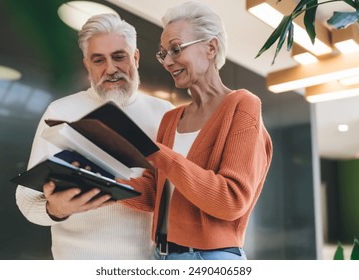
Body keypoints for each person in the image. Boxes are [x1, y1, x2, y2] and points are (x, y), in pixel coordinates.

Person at [115, 1, 273, 260]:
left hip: (211, 259)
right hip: (162, 255)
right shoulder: (170, 119)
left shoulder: (243, 106)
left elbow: (231, 199)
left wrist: (154, 151)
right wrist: (106, 185)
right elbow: (156, 192)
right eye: (163, 53)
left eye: (176, 49)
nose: (167, 61)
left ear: (211, 47)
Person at [15, 13, 174, 260]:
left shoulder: (166, 114)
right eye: (98, 60)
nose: (110, 69)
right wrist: (54, 210)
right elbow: (26, 200)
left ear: (136, 57)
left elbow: (178, 198)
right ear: (87, 65)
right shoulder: (60, 111)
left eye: (119, 57)